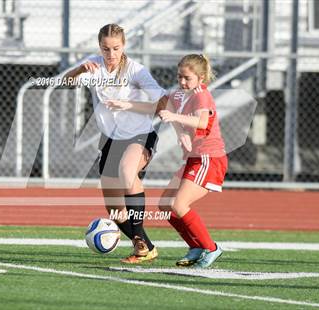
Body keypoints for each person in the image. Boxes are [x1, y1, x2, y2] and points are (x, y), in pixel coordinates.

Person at [64, 24, 166, 264]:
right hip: (111, 139)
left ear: (124, 46)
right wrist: (79, 70)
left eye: (116, 48)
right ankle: (146, 246)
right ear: (99, 47)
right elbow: (66, 83)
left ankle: (139, 239)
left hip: (139, 134)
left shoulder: (136, 71)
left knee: (127, 173)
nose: (110, 54)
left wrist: (130, 105)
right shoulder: (93, 64)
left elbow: (163, 104)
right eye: (105, 48)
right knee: (114, 210)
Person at [157, 54, 227, 268]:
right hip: (194, 158)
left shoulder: (201, 95)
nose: (182, 82)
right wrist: (180, 133)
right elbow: (166, 110)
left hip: (209, 157)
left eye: (187, 78)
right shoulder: (181, 94)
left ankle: (212, 248)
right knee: (164, 205)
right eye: (179, 77)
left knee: (178, 204)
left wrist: (176, 120)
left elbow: (202, 121)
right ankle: (195, 246)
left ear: (201, 78)